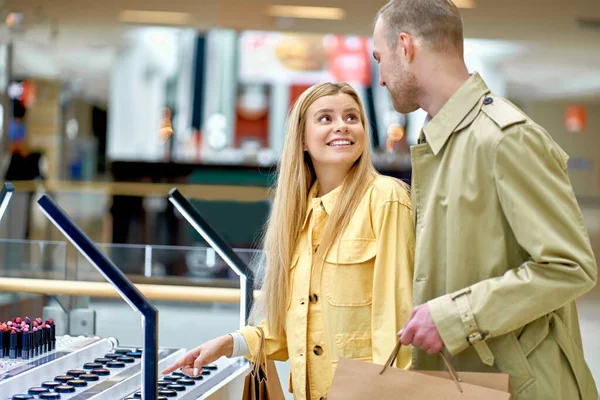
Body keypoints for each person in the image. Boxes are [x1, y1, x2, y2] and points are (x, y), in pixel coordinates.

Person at [372, 1, 598, 399]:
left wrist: (454, 316)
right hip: (465, 381)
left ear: (405, 46)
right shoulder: (440, 141)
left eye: (379, 58)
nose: (380, 79)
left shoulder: (506, 137)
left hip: (521, 387)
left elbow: (570, 267)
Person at [162, 82, 415, 399]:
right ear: (303, 140)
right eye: (325, 118)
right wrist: (228, 343)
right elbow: (286, 330)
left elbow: (396, 323)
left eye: (352, 117)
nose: (342, 126)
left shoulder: (386, 200)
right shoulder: (298, 217)